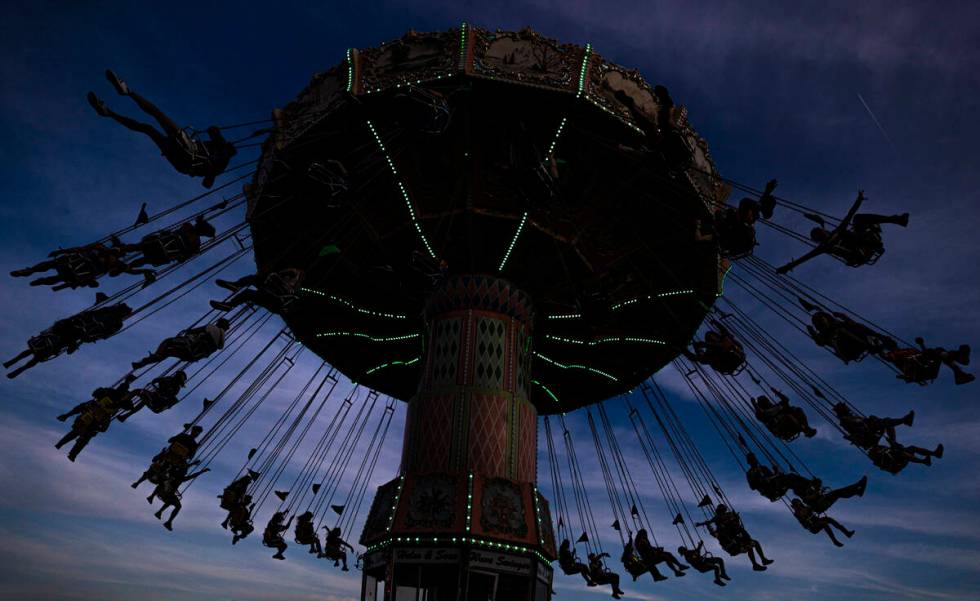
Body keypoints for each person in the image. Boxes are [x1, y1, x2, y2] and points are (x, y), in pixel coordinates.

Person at [88, 70, 237, 188]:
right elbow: (206, 183)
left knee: (157, 115)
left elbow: (212, 131)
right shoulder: (220, 161)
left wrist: (211, 168)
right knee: (148, 128)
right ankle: (108, 112)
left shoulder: (220, 157)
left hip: (188, 152)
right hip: (181, 162)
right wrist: (210, 171)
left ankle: (127, 92)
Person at [777, 191, 909, 273]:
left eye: (819, 231)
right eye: (818, 234)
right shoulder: (825, 246)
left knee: (857, 219)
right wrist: (788, 267)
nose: (821, 232)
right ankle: (872, 241)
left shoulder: (836, 232)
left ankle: (896, 220)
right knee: (842, 234)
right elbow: (805, 258)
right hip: (858, 253)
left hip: (866, 243)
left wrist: (858, 201)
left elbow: (850, 214)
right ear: (818, 238)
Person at [4, 301, 133, 378]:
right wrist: (80, 322)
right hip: (74, 328)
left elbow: (103, 334)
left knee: (40, 355)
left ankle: (20, 367)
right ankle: (16, 362)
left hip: (78, 334)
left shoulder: (116, 323)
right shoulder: (108, 313)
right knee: (38, 350)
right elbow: (90, 316)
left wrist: (88, 335)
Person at [55, 375, 137, 461]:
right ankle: (68, 451)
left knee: (80, 433)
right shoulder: (114, 394)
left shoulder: (116, 394)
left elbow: (84, 404)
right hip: (97, 414)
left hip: (98, 415)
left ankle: (66, 449)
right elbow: (129, 407)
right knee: (82, 434)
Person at [11, 242, 150, 290]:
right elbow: (80, 249)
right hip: (76, 262)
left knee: (58, 277)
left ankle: (40, 280)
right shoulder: (99, 247)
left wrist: (144, 270)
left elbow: (131, 271)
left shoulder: (117, 264)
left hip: (83, 271)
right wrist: (63, 251)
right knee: (53, 264)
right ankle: (29, 270)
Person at [802, 302, 897, 364]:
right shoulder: (824, 334)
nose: (820, 323)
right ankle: (881, 343)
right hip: (848, 349)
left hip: (857, 342)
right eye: (817, 322)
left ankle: (882, 343)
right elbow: (820, 342)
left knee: (858, 327)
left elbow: (854, 325)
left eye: (821, 319)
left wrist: (842, 316)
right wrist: (812, 333)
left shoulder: (838, 325)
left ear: (827, 319)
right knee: (856, 328)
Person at [121, 216, 217, 272]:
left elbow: (174, 232)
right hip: (164, 254)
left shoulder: (188, 226)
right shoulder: (196, 244)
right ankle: (127, 266)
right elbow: (182, 259)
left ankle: (121, 250)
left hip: (160, 243)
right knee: (144, 259)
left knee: (139, 247)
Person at [696, 504, 773, 571]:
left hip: (738, 534)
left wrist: (736, 518)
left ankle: (762, 560)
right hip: (734, 538)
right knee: (750, 545)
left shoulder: (729, 515)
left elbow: (735, 521)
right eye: (722, 510)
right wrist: (702, 524)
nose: (723, 512)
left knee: (754, 543)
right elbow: (711, 523)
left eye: (723, 510)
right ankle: (756, 564)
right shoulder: (719, 520)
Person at [131, 319, 229, 370]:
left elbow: (195, 330)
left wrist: (188, 331)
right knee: (169, 352)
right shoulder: (221, 340)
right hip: (194, 356)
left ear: (219, 323)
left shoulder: (212, 327)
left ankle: (152, 357)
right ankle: (147, 361)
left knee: (168, 342)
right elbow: (218, 348)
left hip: (190, 346)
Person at [211, 268, 305, 315]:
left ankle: (235, 288)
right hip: (269, 297)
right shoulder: (279, 282)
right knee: (248, 292)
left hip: (274, 299)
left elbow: (292, 304)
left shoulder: (288, 287)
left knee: (253, 284)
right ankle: (229, 304)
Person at [884, 337, 974, 386]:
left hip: (924, 370)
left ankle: (959, 372)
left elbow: (924, 356)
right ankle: (959, 367)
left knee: (938, 352)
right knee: (938, 352)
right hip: (919, 371)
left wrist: (922, 345)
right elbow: (889, 357)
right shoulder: (896, 354)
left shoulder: (907, 351)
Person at [150, 462, 209, 531]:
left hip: (164, 493)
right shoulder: (180, 477)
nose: (186, 473)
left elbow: (185, 468)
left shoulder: (175, 473)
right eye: (185, 472)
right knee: (177, 505)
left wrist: (193, 464)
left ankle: (160, 513)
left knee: (172, 501)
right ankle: (167, 520)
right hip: (166, 493)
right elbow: (192, 475)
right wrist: (202, 471)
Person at [833, 403, 916, 450]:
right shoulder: (844, 419)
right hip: (866, 436)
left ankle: (894, 442)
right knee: (885, 422)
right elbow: (858, 423)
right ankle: (904, 421)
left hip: (869, 431)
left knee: (887, 422)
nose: (848, 408)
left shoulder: (850, 417)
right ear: (842, 410)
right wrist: (869, 420)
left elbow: (861, 422)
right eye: (846, 407)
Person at [118, 370, 188, 419]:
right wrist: (161, 380)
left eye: (177, 375)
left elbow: (168, 395)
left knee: (138, 391)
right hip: (154, 398)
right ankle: (125, 416)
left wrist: (161, 385)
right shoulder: (168, 379)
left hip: (157, 400)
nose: (175, 376)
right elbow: (155, 381)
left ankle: (123, 401)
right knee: (143, 401)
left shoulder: (176, 387)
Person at [744, 452, 812, 502]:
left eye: (754, 458)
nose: (754, 460)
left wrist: (776, 472)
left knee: (791, 477)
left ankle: (807, 488)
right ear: (749, 462)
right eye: (752, 459)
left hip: (775, 485)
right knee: (789, 480)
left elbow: (772, 476)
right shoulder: (749, 473)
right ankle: (806, 491)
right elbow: (752, 487)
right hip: (769, 490)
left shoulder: (763, 468)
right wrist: (756, 477)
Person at [752, 389, 817, 440]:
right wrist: (755, 405)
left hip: (790, 422)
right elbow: (761, 414)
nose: (767, 402)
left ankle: (806, 428)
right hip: (781, 428)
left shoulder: (777, 406)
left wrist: (777, 393)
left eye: (766, 400)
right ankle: (803, 428)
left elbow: (786, 400)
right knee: (787, 415)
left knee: (797, 409)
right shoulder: (763, 413)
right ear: (761, 405)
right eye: (764, 401)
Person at [789, 498, 854, 547]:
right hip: (812, 526)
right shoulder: (796, 513)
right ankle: (834, 541)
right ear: (795, 505)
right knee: (824, 524)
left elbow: (812, 508)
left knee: (829, 519)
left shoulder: (805, 507)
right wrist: (803, 511)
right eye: (797, 503)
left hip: (816, 520)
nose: (799, 503)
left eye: (799, 502)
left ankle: (847, 532)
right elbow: (802, 518)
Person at [868, 439, 943, 474]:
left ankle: (935, 454)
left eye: (876, 447)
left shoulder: (882, 448)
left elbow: (896, 448)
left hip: (899, 458)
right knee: (902, 454)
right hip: (896, 465)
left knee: (911, 448)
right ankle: (923, 461)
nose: (877, 448)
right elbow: (884, 467)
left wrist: (892, 443)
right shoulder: (877, 459)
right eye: (875, 448)